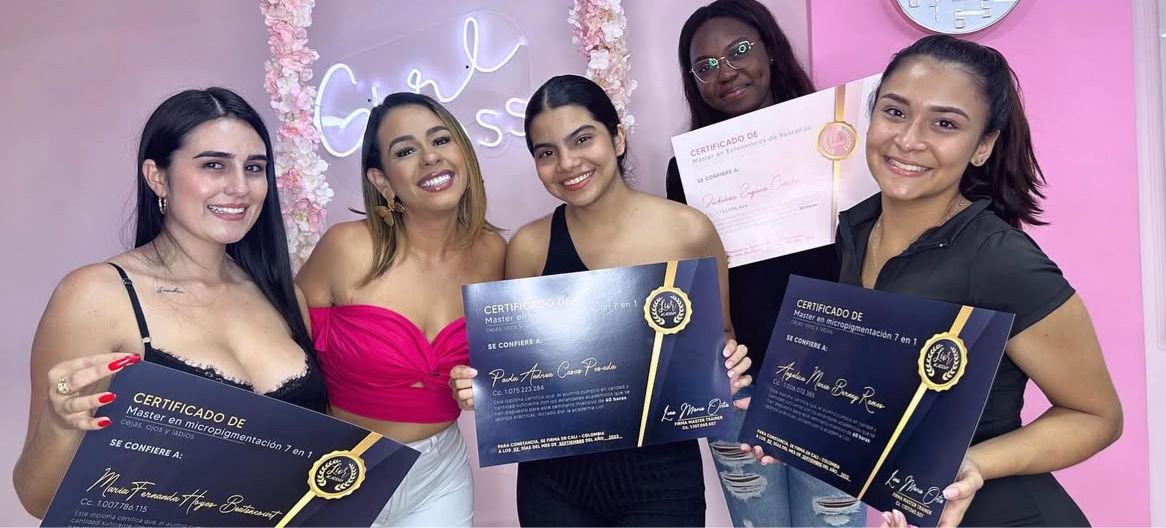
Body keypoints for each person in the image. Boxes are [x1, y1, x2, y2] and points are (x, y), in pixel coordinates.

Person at [755, 35, 1124, 527]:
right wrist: (789, 421)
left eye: (945, 123)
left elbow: (1097, 417)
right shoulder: (856, 230)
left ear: (983, 147)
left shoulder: (998, 258)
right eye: (895, 112)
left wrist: (973, 465)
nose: (909, 140)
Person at [450, 74, 751, 526]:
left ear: (618, 137)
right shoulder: (530, 246)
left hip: (661, 476)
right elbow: (517, 365)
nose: (567, 163)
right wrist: (482, 386)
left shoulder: (688, 230)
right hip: (553, 481)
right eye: (546, 152)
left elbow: (720, 335)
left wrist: (726, 365)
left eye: (582, 139)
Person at [13, 87, 327, 518]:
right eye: (214, 165)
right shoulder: (96, 295)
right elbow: (37, 499)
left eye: (254, 168)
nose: (240, 187)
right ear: (156, 176)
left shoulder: (283, 294)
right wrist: (59, 423)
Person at [669, 0, 861, 526]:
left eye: (739, 51)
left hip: (835, 377)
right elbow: (692, 285)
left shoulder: (839, 140)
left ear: (770, 51)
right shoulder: (685, 172)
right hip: (737, 379)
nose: (725, 72)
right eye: (706, 66)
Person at [296, 92, 505, 526]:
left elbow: (510, 362)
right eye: (405, 151)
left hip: (440, 476)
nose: (430, 157)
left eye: (441, 140)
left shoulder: (493, 252)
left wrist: (485, 388)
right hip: (339, 474)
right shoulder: (345, 247)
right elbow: (285, 356)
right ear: (382, 181)